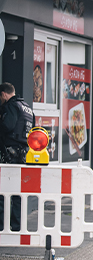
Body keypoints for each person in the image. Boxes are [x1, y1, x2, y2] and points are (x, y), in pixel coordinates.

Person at [0, 82, 35, 232]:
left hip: (9, 154)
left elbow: (6, 126)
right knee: (17, 192)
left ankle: (1, 227)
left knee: (2, 192)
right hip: (23, 155)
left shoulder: (11, 106)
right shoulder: (27, 108)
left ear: (3, 94)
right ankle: (17, 227)